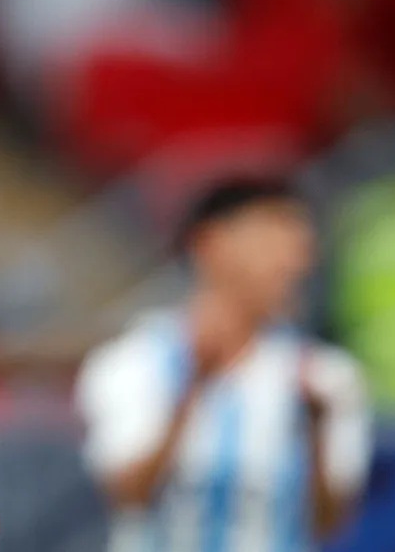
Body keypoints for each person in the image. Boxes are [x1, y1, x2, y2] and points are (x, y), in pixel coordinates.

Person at [77, 178, 372, 551]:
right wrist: (192, 389)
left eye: (300, 247)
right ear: (209, 243)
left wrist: (316, 432)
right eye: (270, 240)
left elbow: (329, 523)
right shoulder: (133, 362)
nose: (293, 262)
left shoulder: (325, 376)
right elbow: (126, 494)